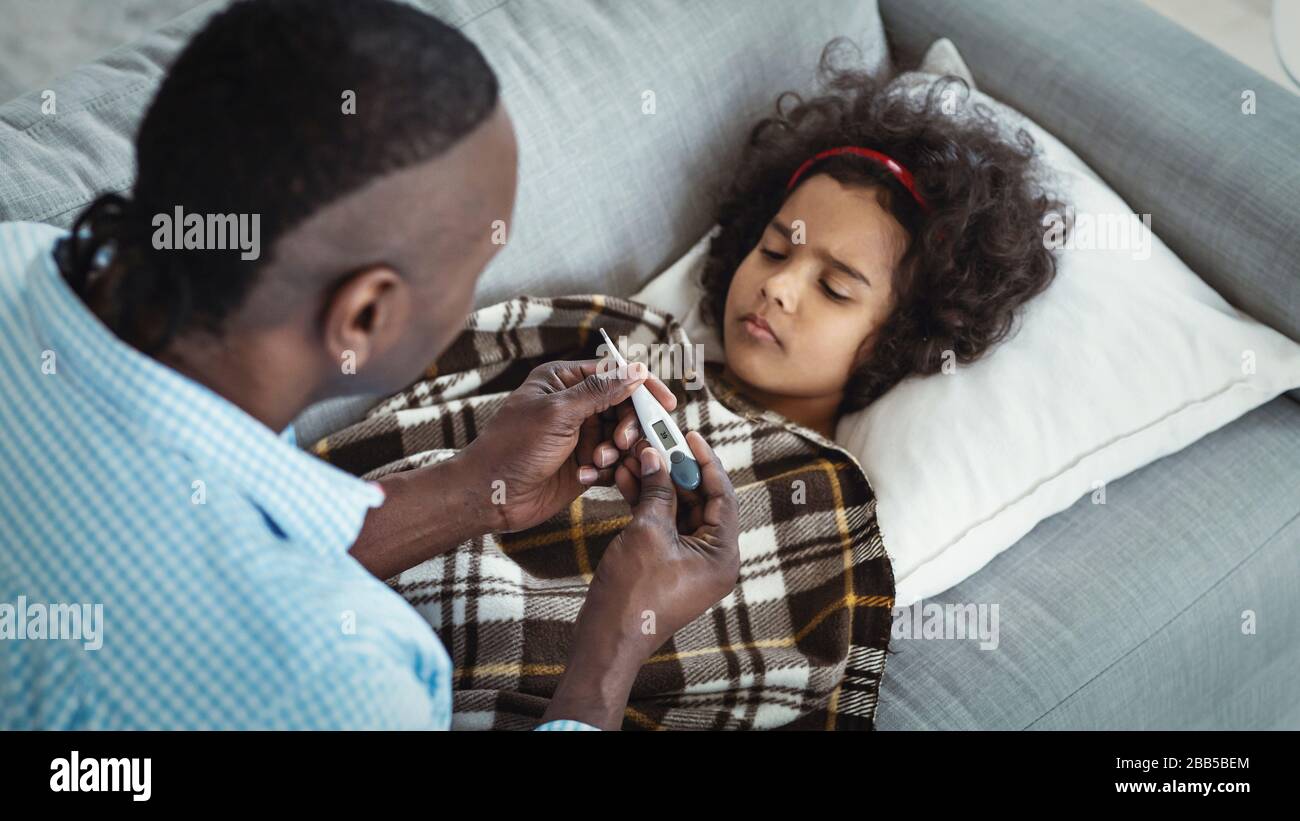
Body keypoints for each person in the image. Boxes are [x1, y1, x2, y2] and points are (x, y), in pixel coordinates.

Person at [0, 0, 738, 731]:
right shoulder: (343, 682)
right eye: (477, 264)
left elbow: (220, 533)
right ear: (364, 315)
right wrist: (613, 650)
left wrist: (476, 491)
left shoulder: (18, 254)